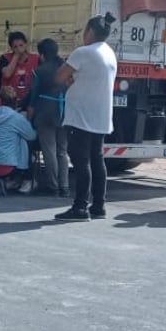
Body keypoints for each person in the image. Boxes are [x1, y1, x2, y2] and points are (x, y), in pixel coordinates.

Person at [54, 14, 118, 221]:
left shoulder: (83, 52)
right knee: (97, 161)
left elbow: (59, 77)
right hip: (100, 116)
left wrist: (69, 80)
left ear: (90, 31)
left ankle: (80, 206)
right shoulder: (109, 53)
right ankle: (98, 206)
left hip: (81, 116)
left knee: (81, 161)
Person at [28, 38, 69, 196]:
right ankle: (64, 186)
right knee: (62, 151)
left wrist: (30, 116)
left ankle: (52, 186)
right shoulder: (65, 68)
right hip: (64, 112)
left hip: (45, 113)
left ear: (42, 54)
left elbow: (33, 96)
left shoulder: (39, 70)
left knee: (49, 150)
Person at [0, 31, 41, 104]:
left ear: (26, 44)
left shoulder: (36, 59)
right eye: (15, 47)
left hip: (28, 100)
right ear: (11, 48)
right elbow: (7, 74)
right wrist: (16, 56)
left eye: (21, 45)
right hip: (9, 101)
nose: (19, 48)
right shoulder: (5, 58)